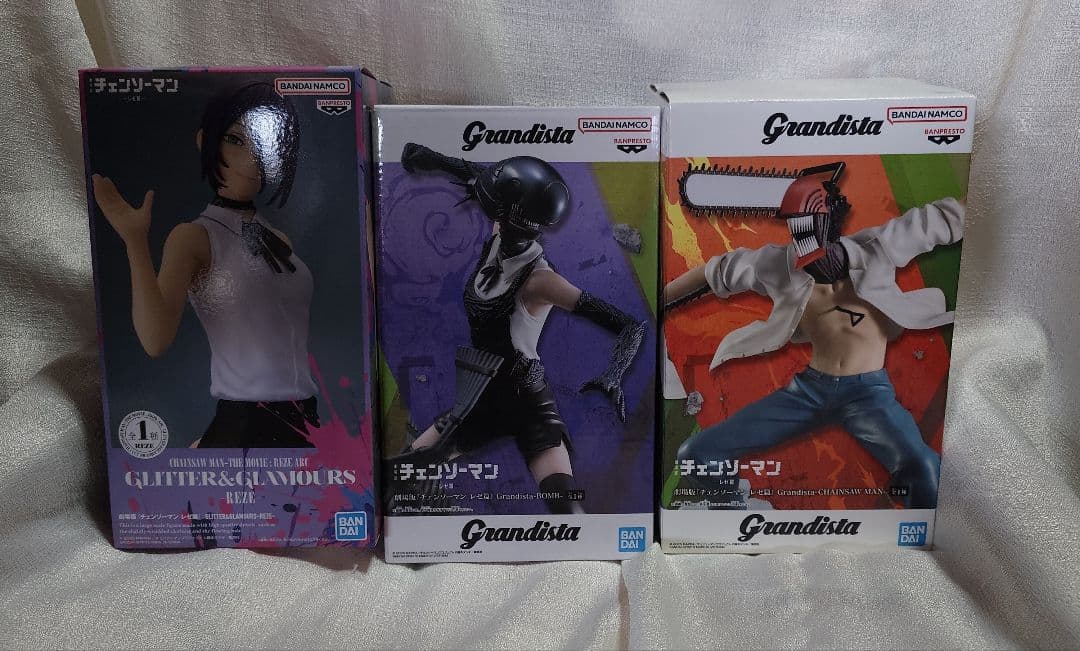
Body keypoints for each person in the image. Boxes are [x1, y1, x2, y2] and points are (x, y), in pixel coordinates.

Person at [664, 163, 963, 509]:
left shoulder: (878, 247)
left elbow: (946, 217)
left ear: (830, 224)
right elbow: (713, 272)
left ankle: (931, 527)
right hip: (809, 391)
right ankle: (735, 509)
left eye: (811, 232)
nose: (805, 246)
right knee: (697, 453)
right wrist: (657, 302)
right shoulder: (778, 264)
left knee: (923, 468)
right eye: (797, 230)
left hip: (867, 394)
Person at [386, 143, 647, 514]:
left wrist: (613, 375)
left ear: (512, 215)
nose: (488, 202)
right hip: (478, 399)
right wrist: (431, 159)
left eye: (499, 203)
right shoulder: (500, 234)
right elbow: (484, 181)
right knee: (403, 473)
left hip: (527, 402)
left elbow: (628, 325)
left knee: (566, 507)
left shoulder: (542, 281)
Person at [92, 82, 320, 448]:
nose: (253, 155)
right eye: (236, 139)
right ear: (206, 142)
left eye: (268, 139)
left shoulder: (278, 239)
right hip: (248, 419)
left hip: (304, 417)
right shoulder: (194, 237)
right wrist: (135, 241)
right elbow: (155, 340)